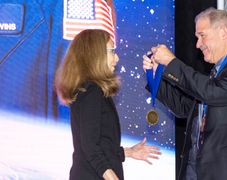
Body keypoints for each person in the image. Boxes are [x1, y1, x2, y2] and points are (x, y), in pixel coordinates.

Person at [143, 7, 227, 180]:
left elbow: (211, 93)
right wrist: (157, 77)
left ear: (223, 32)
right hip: (199, 171)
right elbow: (183, 108)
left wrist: (172, 62)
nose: (198, 44)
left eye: (202, 36)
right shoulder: (215, 76)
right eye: (196, 37)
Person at [55, 29, 161, 180]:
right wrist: (112, 177)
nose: (117, 58)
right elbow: (90, 148)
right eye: (112, 51)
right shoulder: (92, 91)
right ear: (94, 55)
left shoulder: (90, 90)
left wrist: (128, 152)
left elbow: (98, 145)